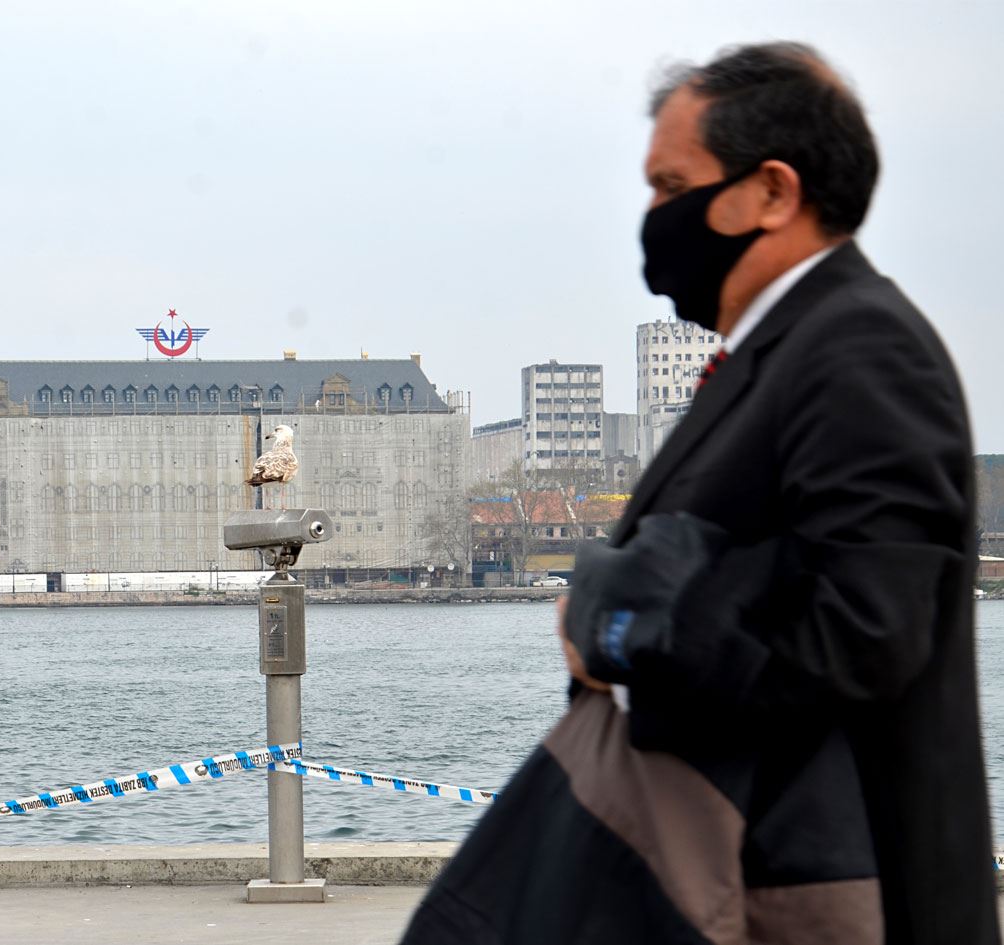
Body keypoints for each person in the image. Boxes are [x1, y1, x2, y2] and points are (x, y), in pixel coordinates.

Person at [402, 42, 998, 944]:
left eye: (673, 185)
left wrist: (617, 626)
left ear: (773, 191)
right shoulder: (786, 350)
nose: (653, 215)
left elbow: (865, 632)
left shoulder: (862, 350)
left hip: (825, 899)